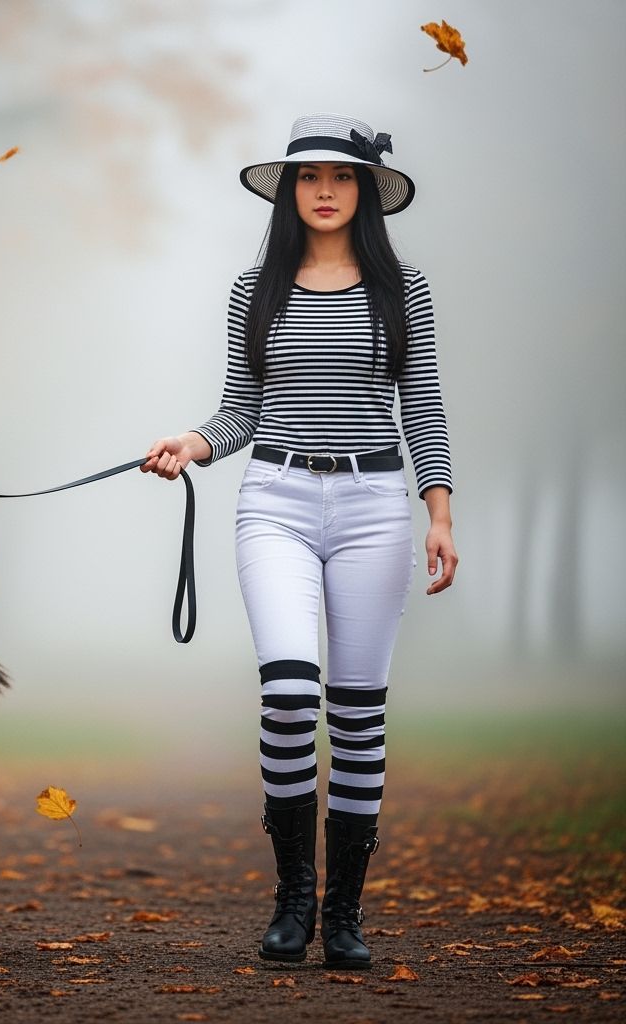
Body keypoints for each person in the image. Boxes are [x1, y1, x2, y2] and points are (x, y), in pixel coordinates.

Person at [142, 113, 457, 969]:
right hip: (274, 499)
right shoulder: (256, 289)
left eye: (342, 176)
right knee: (289, 694)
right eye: (309, 175)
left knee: (356, 715)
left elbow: (420, 406)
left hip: (373, 507)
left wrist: (439, 511)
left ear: (365, 190)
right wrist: (192, 445)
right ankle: (292, 899)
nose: (324, 189)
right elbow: (241, 408)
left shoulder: (405, 289)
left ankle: (345, 913)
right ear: (287, 190)